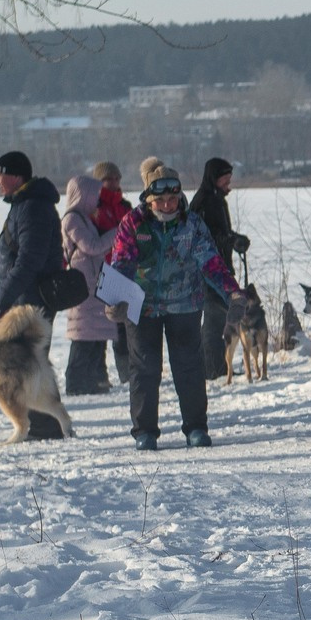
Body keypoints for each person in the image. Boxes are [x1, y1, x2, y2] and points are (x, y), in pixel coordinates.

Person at [105, 170, 239, 449]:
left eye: (173, 199)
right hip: (141, 306)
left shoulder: (192, 224)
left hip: (185, 303)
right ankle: (145, 432)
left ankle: (196, 427)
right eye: (161, 200)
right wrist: (116, 299)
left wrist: (232, 292)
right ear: (149, 199)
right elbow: (122, 261)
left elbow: (211, 262)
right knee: (144, 368)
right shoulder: (133, 223)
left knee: (189, 366)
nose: (168, 205)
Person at [0, 151, 68, 439]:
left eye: (0, 174)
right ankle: (42, 426)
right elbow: (21, 252)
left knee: (26, 363)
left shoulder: (33, 207)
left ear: (16, 176)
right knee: (28, 362)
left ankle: (43, 428)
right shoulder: (25, 204)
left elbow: (30, 260)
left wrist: (4, 299)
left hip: (31, 301)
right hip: (26, 296)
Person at [190, 158, 249, 380]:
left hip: (220, 268)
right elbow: (209, 238)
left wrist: (233, 240)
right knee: (214, 320)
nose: (229, 182)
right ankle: (212, 367)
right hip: (207, 272)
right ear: (215, 177)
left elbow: (220, 235)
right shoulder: (204, 202)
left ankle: (219, 365)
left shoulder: (216, 199)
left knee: (220, 318)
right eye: (226, 177)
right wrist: (232, 240)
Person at [58, 174, 116, 395]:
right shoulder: (72, 219)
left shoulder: (84, 218)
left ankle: (93, 381)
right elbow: (91, 246)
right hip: (84, 286)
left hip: (93, 284)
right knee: (83, 335)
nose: (97, 200)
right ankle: (76, 383)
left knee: (95, 335)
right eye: (95, 195)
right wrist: (116, 233)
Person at [89, 161, 135, 382]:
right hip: (102, 272)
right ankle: (99, 373)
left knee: (124, 328)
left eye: (117, 179)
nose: (114, 183)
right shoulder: (93, 207)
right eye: (109, 179)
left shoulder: (125, 206)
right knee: (101, 328)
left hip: (125, 273)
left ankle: (127, 374)